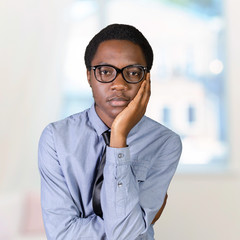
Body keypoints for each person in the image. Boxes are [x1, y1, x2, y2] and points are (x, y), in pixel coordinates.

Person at [38, 24, 182, 240]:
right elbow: (61, 234)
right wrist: (132, 222)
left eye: (133, 73)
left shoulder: (165, 142)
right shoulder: (56, 138)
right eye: (106, 72)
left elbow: (126, 233)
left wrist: (118, 139)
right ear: (89, 76)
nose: (119, 84)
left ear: (146, 79)